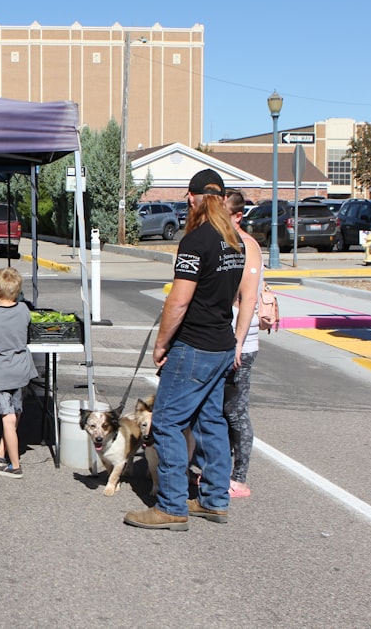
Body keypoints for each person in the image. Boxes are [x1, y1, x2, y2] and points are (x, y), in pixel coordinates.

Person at [124, 169, 257, 530]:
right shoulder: (236, 242)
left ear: (195, 198)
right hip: (221, 345)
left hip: (194, 346)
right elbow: (236, 295)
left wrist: (161, 344)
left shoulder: (196, 242)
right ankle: (214, 499)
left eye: (189, 198)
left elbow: (178, 303)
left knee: (167, 423)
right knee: (210, 421)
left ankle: (171, 505)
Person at [223, 190, 264, 499]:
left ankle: (239, 478)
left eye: (223, 213)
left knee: (236, 411)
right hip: (222, 339)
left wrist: (238, 343)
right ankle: (221, 471)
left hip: (242, 342)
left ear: (238, 216)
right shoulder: (225, 244)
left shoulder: (247, 246)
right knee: (220, 410)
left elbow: (247, 298)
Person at [0, 267, 37, 479]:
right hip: (21, 369)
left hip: (1, 373)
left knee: (7, 418)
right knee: (15, 412)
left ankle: (15, 465)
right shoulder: (23, 310)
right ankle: (2, 452)